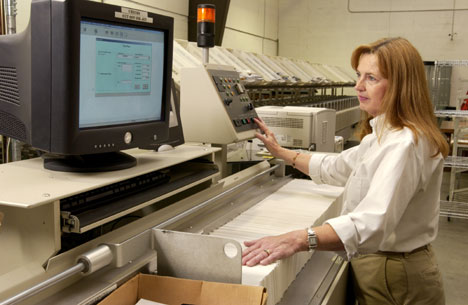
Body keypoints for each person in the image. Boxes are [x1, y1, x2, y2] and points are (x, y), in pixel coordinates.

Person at [242, 37, 448, 305]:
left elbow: (373, 222)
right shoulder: (382, 135)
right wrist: (281, 153)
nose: (358, 86)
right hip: (382, 266)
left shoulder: (404, 143)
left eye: (371, 78)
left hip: (396, 274)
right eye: (359, 75)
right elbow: (337, 167)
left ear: (400, 86)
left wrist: (298, 238)